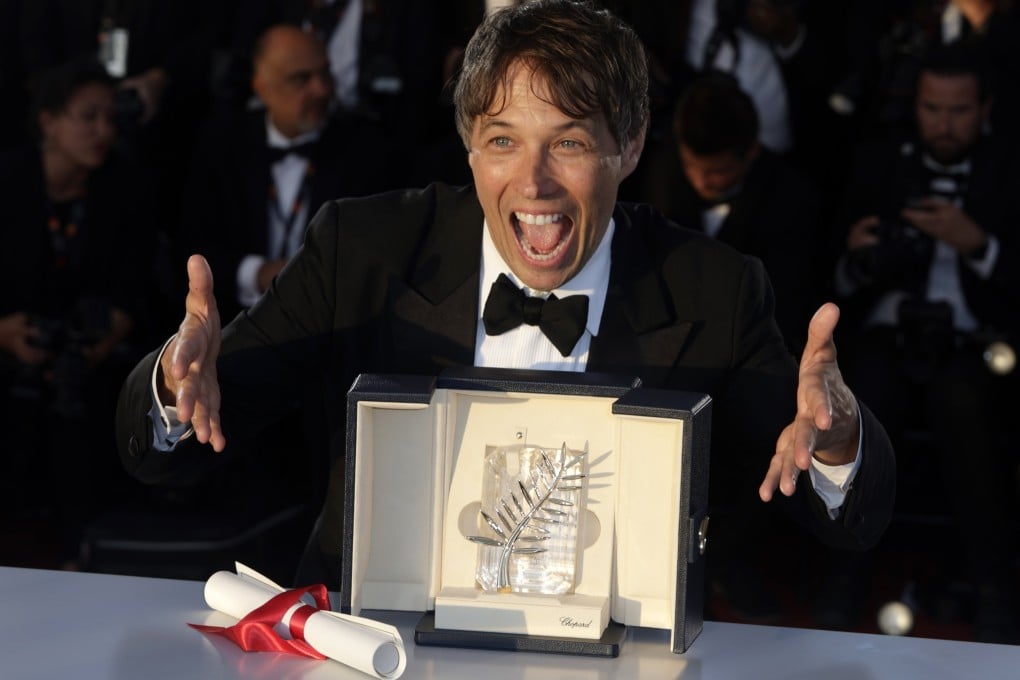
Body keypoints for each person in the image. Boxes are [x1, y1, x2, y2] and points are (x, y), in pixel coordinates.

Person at [116, 0, 895, 599]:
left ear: (628, 146)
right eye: (502, 141)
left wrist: (835, 443)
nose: (533, 183)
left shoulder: (713, 290)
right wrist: (172, 393)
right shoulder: (366, 250)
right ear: (467, 145)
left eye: (569, 141)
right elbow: (171, 458)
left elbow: (840, 517)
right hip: (382, 645)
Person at [832, 42, 1019, 642]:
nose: (943, 123)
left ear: (985, 109)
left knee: (966, 407)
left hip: (975, 341)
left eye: (959, 110)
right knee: (861, 404)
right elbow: (825, 274)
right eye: (932, 108)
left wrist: (980, 246)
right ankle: (842, 579)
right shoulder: (879, 160)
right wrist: (856, 260)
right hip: (886, 332)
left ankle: (995, 588)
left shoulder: (1010, 167)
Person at [0, 56, 156, 567]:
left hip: (93, 363)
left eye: (110, 118)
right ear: (48, 120)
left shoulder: (124, 186)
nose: (102, 131)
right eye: (87, 116)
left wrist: (113, 329)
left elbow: (141, 282)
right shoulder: (9, 179)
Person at [178, 24, 395, 322]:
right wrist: (257, 273)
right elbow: (192, 241)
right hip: (234, 325)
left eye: (325, 74)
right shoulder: (221, 145)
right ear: (261, 88)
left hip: (335, 323)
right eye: (301, 79)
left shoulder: (365, 150)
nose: (321, 89)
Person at [642, 72, 824, 355]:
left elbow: (786, 304)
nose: (702, 181)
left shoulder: (791, 198)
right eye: (691, 166)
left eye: (717, 171)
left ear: (752, 151)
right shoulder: (661, 171)